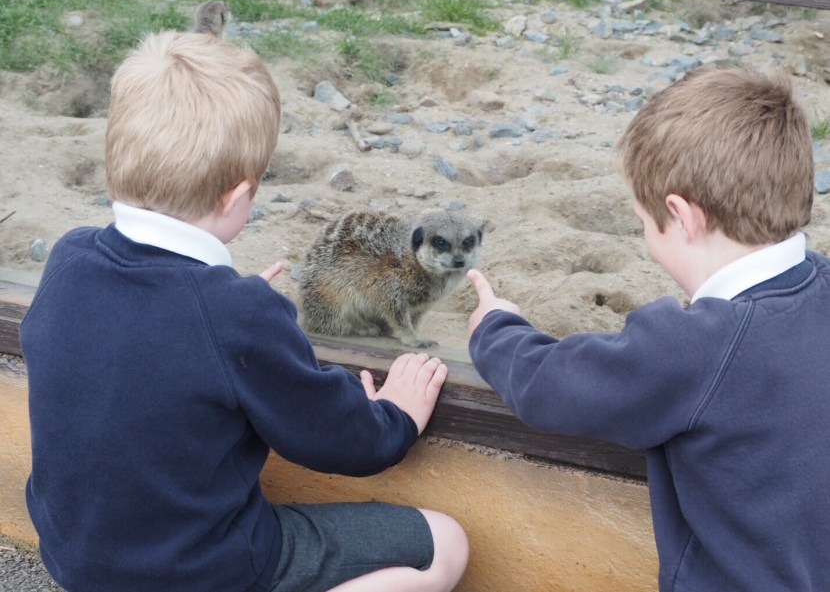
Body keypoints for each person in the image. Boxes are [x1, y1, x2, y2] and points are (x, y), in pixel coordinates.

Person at [21, 30, 468, 592]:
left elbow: (133, 338)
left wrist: (219, 310)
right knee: (443, 546)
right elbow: (333, 439)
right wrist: (395, 417)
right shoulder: (235, 315)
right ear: (237, 198)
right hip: (204, 572)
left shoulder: (69, 257)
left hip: (77, 562)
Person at [466, 66, 830, 591]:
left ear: (683, 217)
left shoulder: (696, 344)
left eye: (643, 221)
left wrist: (494, 328)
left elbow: (556, 387)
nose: (645, 236)